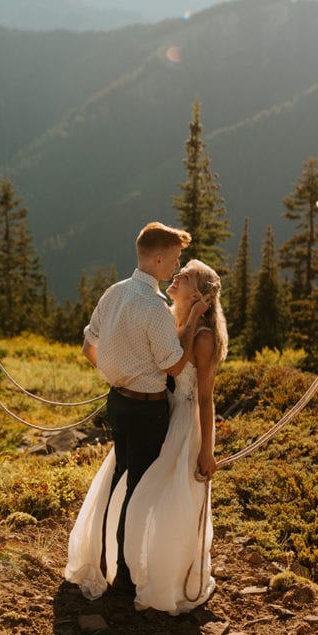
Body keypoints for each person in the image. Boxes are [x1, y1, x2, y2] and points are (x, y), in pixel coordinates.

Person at [65, 222, 207, 599]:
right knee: (138, 491)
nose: (175, 267)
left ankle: (105, 558)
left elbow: (87, 345)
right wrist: (192, 320)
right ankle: (125, 572)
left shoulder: (114, 293)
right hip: (147, 409)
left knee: (118, 480)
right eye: (173, 260)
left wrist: (116, 375)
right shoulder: (156, 309)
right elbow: (174, 367)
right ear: (157, 258)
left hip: (117, 402)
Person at [123, 258, 228, 614]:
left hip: (186, 423)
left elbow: (203, 396)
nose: (177, 275)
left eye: (187, 277)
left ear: (199, 296)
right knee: (152, 497)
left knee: (177, 503)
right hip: (163, 415)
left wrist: (207, 451)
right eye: (180, 273)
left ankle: (175, 582)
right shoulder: (172, 319)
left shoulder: (203, 337)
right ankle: (148, 569)